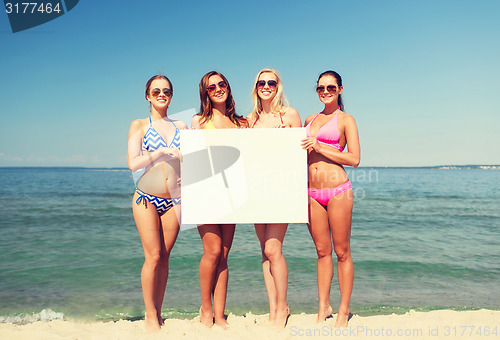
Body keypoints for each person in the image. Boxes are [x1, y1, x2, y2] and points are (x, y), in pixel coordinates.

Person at [127, 75, 187, 333]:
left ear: (171, 95)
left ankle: (159, 312)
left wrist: (184, 155)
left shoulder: (182, 125)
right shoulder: (139, 125)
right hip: (146, 199)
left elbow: (195, 158)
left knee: (165, 257)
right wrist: (160, 153)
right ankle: (150, 314)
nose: (162, 94)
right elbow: (133, 163)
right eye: (156, 91)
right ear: (147, 95)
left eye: (166, 91)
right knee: (152, 256)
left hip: (174, 199)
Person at [301, 70, 360, 328]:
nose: (325, 91)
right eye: (321, 88)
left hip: (337, 190)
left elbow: (354, 159)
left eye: (331, 87)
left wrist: (321, 147)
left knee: (342, 252)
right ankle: (323, 306)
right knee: (322, 252)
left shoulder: (346, 119)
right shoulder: (309, 118)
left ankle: (343, 310)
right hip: (311, 193)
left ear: (340, 90)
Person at [191, 71, 247, 329]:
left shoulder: (242, 124)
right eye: (211, 87)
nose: (217, 89)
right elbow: (192, 160)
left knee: (224, 255)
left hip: (233, 195)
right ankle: (205, 307)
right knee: (211, 252)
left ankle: (220, 314)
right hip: (206, 194)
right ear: (205, 93)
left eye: (221, 84)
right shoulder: (199, 121)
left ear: (228, 87)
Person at [246, 68, 301, 327]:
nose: (266, 86)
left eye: (271, 82)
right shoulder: (250, 119)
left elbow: (300, 155)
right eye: (261, 82)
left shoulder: (289, 115)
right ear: (256, 87)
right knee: (264, 252)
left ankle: (282, 307)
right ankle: (272, 306)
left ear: (278, 86)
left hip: (282, 189)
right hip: (258, 190)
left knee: (273, 248)